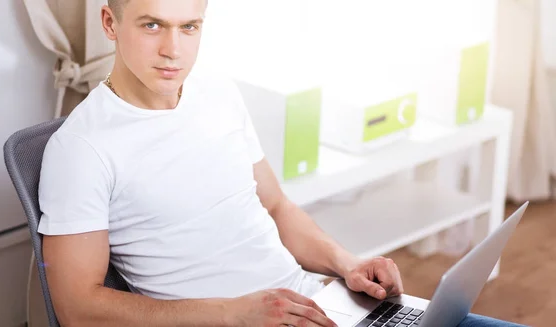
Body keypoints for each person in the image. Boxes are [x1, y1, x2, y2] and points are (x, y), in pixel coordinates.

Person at [37, 0, 526, 326]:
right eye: (152, 26)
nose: (173, 49)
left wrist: (348, 264)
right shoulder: (83, 147)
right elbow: (76, 305)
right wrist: (237, 313)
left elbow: (275, 205)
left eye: (189, 27)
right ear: (109, 23)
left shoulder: (218, 93)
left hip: (312, 304)